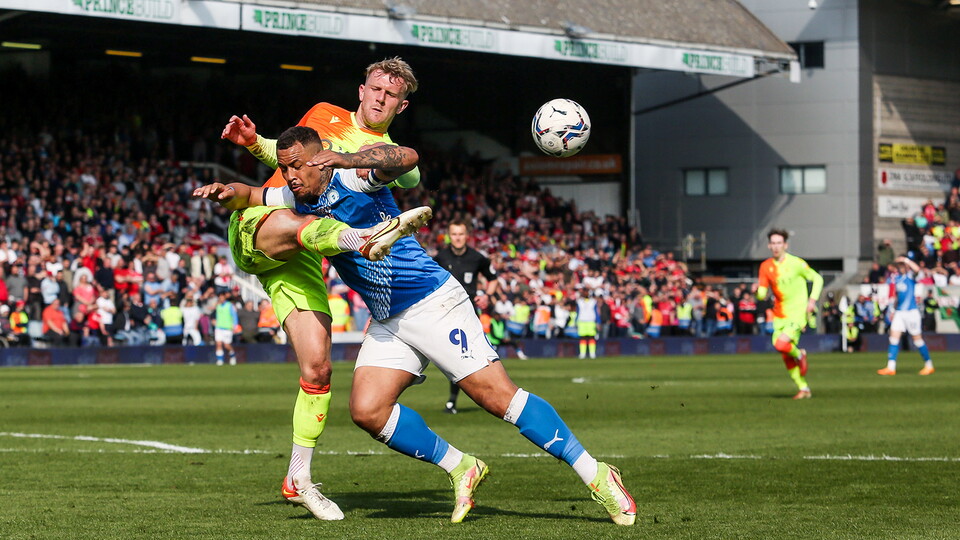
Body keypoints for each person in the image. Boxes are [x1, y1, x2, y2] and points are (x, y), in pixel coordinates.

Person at [204, 125, 637, 526]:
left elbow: (407, 158)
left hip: (432, 302)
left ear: (319, 159)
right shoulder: (300, 198)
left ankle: (598, 474)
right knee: (368, 412)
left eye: (296, 165)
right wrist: (228, 191)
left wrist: (346, 159)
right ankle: (461, 466)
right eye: (284, 167)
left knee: (497, 397)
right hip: (389, 317)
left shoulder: (353, 179)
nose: (289, 175)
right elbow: (253, 195)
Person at [215, 57, 422, 522]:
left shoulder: (382, 155)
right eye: (374, 89)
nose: (379, 98)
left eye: (390, 95)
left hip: (305, 255)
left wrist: (401, 167)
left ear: (401, 105)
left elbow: (411, 173)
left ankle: (298, 478)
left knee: (319, 367)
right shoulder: (323, 114)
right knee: (308, 220)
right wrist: (255, 144)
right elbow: (288, 162)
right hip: (266, 221)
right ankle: (360, 240)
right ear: (361, 89)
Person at [434, 220, 500, 414]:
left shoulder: (477, 258)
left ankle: (458, 400)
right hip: (445, 312)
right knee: (452, 356)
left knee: (472, 354)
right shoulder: (440, 257)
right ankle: (455, 399)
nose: (458, 238)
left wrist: (487, 295)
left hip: (469, 313)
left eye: (461, 234)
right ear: (449, 236)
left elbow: (493, 279)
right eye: (454, 234)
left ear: (467, 235)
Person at [754, 229, 823, 400]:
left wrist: (812, 301)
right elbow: (762, 294)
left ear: (785, 245)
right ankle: (804, 388)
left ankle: (800, 354)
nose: (776, 246)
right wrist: (758, 292)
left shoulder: (796, 263)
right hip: (779, 315)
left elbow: (818, 279)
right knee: (785, 353)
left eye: (779, 243)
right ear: (769, 246)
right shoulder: (765, 266)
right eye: (773, 243)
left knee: (780, 344)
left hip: (797, 313)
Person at [877, 256, 935, 376]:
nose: (900, 267)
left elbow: (918, 270)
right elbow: (897, 297)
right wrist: (892, 310)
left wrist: (906, 260)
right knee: (893, 337)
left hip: (911, 312)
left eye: (902, 265)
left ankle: (929, 365)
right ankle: (891, 367)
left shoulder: (910, 276)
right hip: (899, 312)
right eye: (899, 265)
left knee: (917, 340)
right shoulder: (896, 278)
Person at [213, 291, 238, 366]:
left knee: (226, 345)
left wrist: (235, 325)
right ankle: (220, 360)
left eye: (222, 297)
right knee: (219, 344)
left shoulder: (229, 305)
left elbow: (234, 316)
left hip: (227, 327)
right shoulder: (217, 306)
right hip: (219, 327)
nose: (221, 299)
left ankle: (232, 356)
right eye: (219, 297)